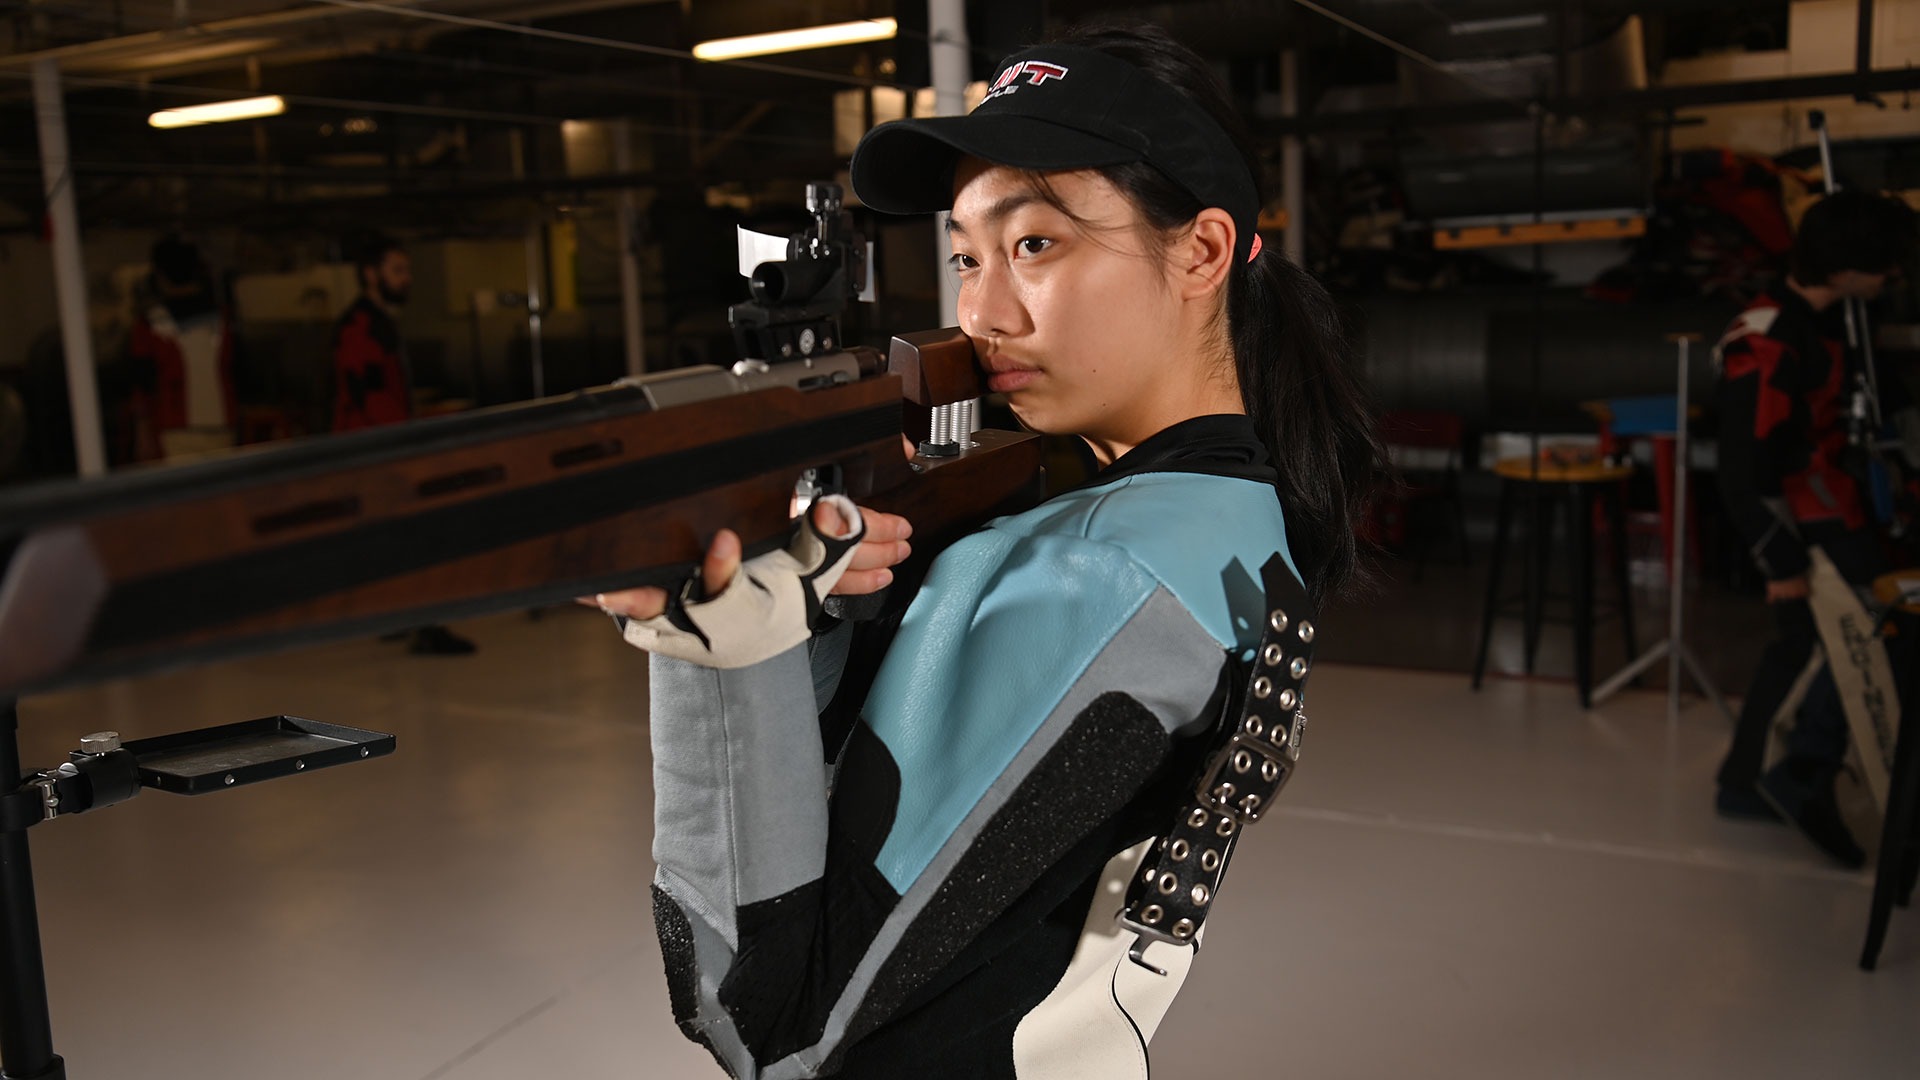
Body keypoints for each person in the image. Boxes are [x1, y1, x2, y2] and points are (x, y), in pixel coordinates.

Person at [588, 25, 1382, 1078]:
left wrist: (723, 655)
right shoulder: (1238, 520)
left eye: (1035, 245)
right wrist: (837, 605)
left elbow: (762, 1016)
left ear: (1201, 252)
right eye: (966, 255)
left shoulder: (1101, 569)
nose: (980, 312)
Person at [1712, 188, 1917, 867]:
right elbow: (1744, 465)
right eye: (1885, 263)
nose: (1894, 274)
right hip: (1806, 516)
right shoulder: (1768, 337)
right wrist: (1780, 563)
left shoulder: (1842, 319)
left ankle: (1748, 780)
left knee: (1802, 644)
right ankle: (1800, 775)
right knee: (1874, 635)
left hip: (1839, 500)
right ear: (1848, 266)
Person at [334, 235, 476, 656]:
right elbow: (368, 398)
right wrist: (407, 445)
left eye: (407, 270)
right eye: (397, 271)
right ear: (370, 275)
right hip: (376, 451)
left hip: (379, 447)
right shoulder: (362, 328)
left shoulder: (377, 323)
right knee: (414, 537)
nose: (406, 279)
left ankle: (402, 617)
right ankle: (423, 624)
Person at [129, 234, 237, 461]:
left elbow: (143, 384)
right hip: (222, 424)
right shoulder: (223, 319)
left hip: (174, 426)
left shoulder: (150, 324)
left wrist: (142, 431)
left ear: (159, 275)